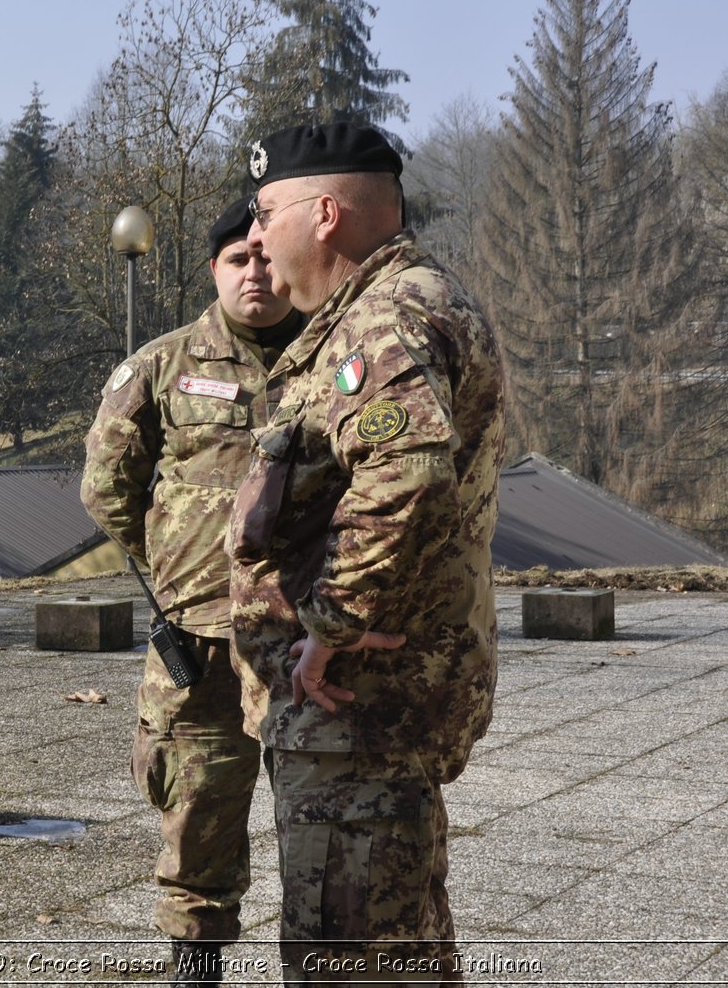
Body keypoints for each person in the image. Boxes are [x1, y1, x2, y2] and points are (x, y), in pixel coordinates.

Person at [226, 121, 506, 983]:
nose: (252, 237)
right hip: (366, 722)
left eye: (265, 212)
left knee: (349, 962)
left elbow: (406, 467)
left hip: (355, 714)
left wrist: (331, 620)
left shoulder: (382, 316)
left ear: (323, 214)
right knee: (401, 953)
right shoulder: (404, 302)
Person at [81, 200, 303, 986]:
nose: (255, 272)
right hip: (202, 648)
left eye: (267, 257)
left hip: (310, 642)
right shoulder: (164, 365)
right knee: (197, 820)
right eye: (239, 258)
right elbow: (107, 485)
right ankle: (195, 971)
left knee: (325, 829)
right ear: (214, 268)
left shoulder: (332, 359)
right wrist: (177, 564)